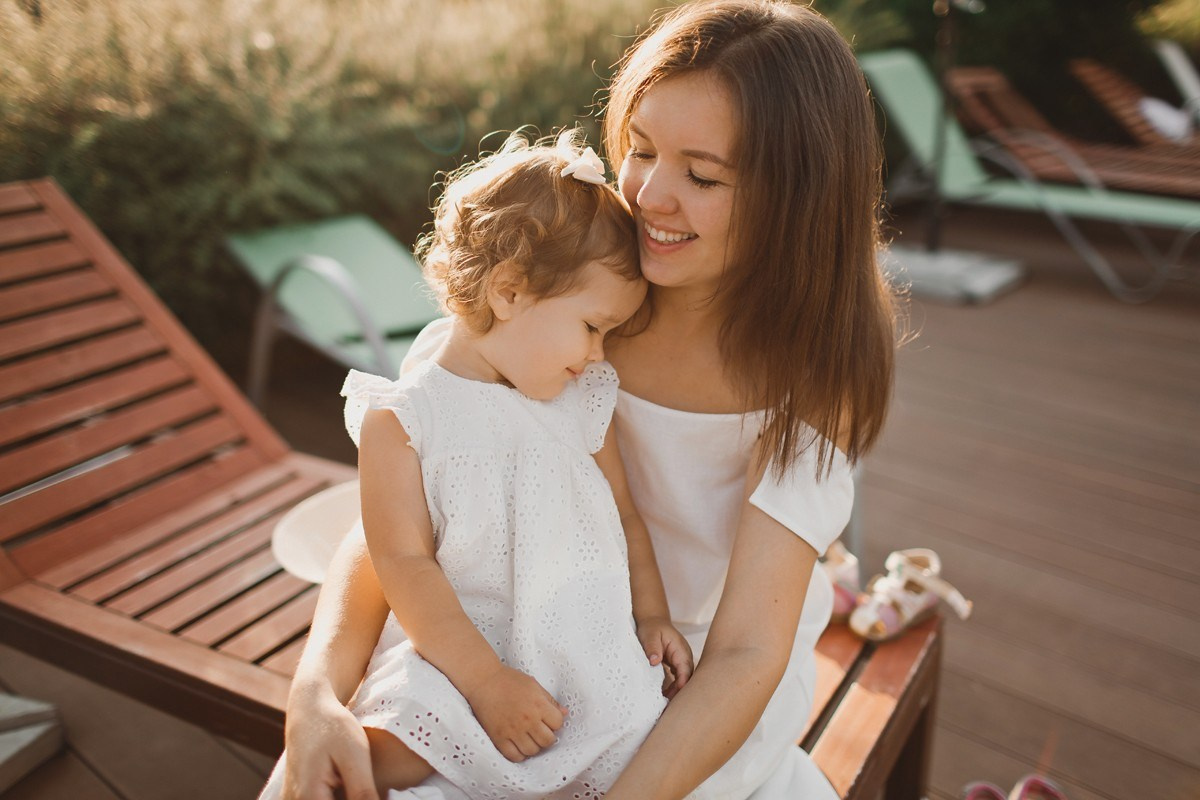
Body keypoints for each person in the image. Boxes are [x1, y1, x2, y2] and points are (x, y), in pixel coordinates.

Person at [281, 1, 898, 798]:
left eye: (702, 175)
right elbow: (401, 520)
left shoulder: (811, 374)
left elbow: (747, 652)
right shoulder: (558, 300)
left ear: (798, 196)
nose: (649, 195)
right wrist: (314, 692)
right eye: (640, 151)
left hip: (690, 683)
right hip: (512, 636)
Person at [260, 132, 695, 799]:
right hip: (462, 650)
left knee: (631, 727)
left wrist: (653, 615)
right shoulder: (405, 418)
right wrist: (486, 682)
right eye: (592, 326)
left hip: (580, 640)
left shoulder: (579, 400)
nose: (600, 355)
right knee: (397, 743)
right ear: (509, 292)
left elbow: (627, 517)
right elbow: (403, 566)